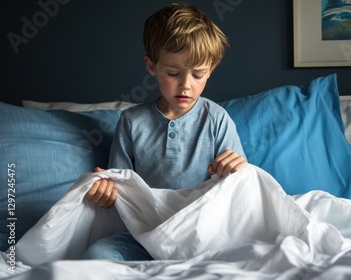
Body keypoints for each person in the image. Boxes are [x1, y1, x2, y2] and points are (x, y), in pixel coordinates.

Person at [82, 3, 247, 261]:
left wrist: (236, 167)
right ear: (151, 66)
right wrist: (105, 192)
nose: (185, 85)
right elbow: (122, 188)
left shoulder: (216, 119)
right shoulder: (132, 121)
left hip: (201, 233)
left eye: (198, 74)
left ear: (210, 71)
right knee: (97, 255)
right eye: (173, 72)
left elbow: (238, 188)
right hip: (145, 233)